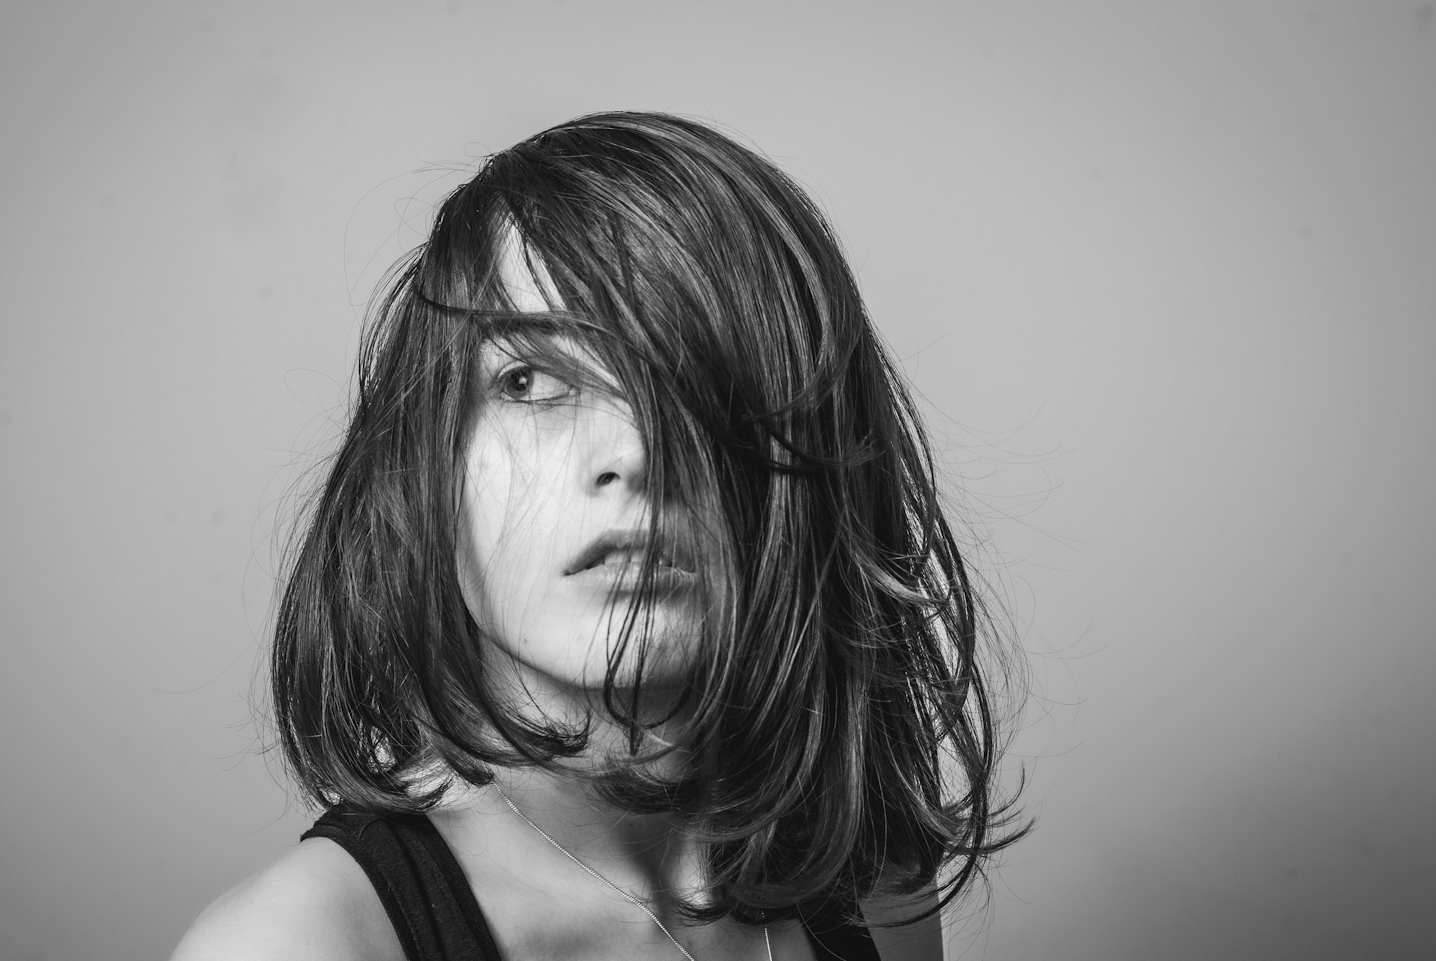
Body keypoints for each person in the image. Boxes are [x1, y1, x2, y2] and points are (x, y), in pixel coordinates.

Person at [172, 111, 1026, 961]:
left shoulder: (875, 887)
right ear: (427, 469)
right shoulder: (296, 944)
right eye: (529, 379)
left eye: (696, 383)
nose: (634, 451)